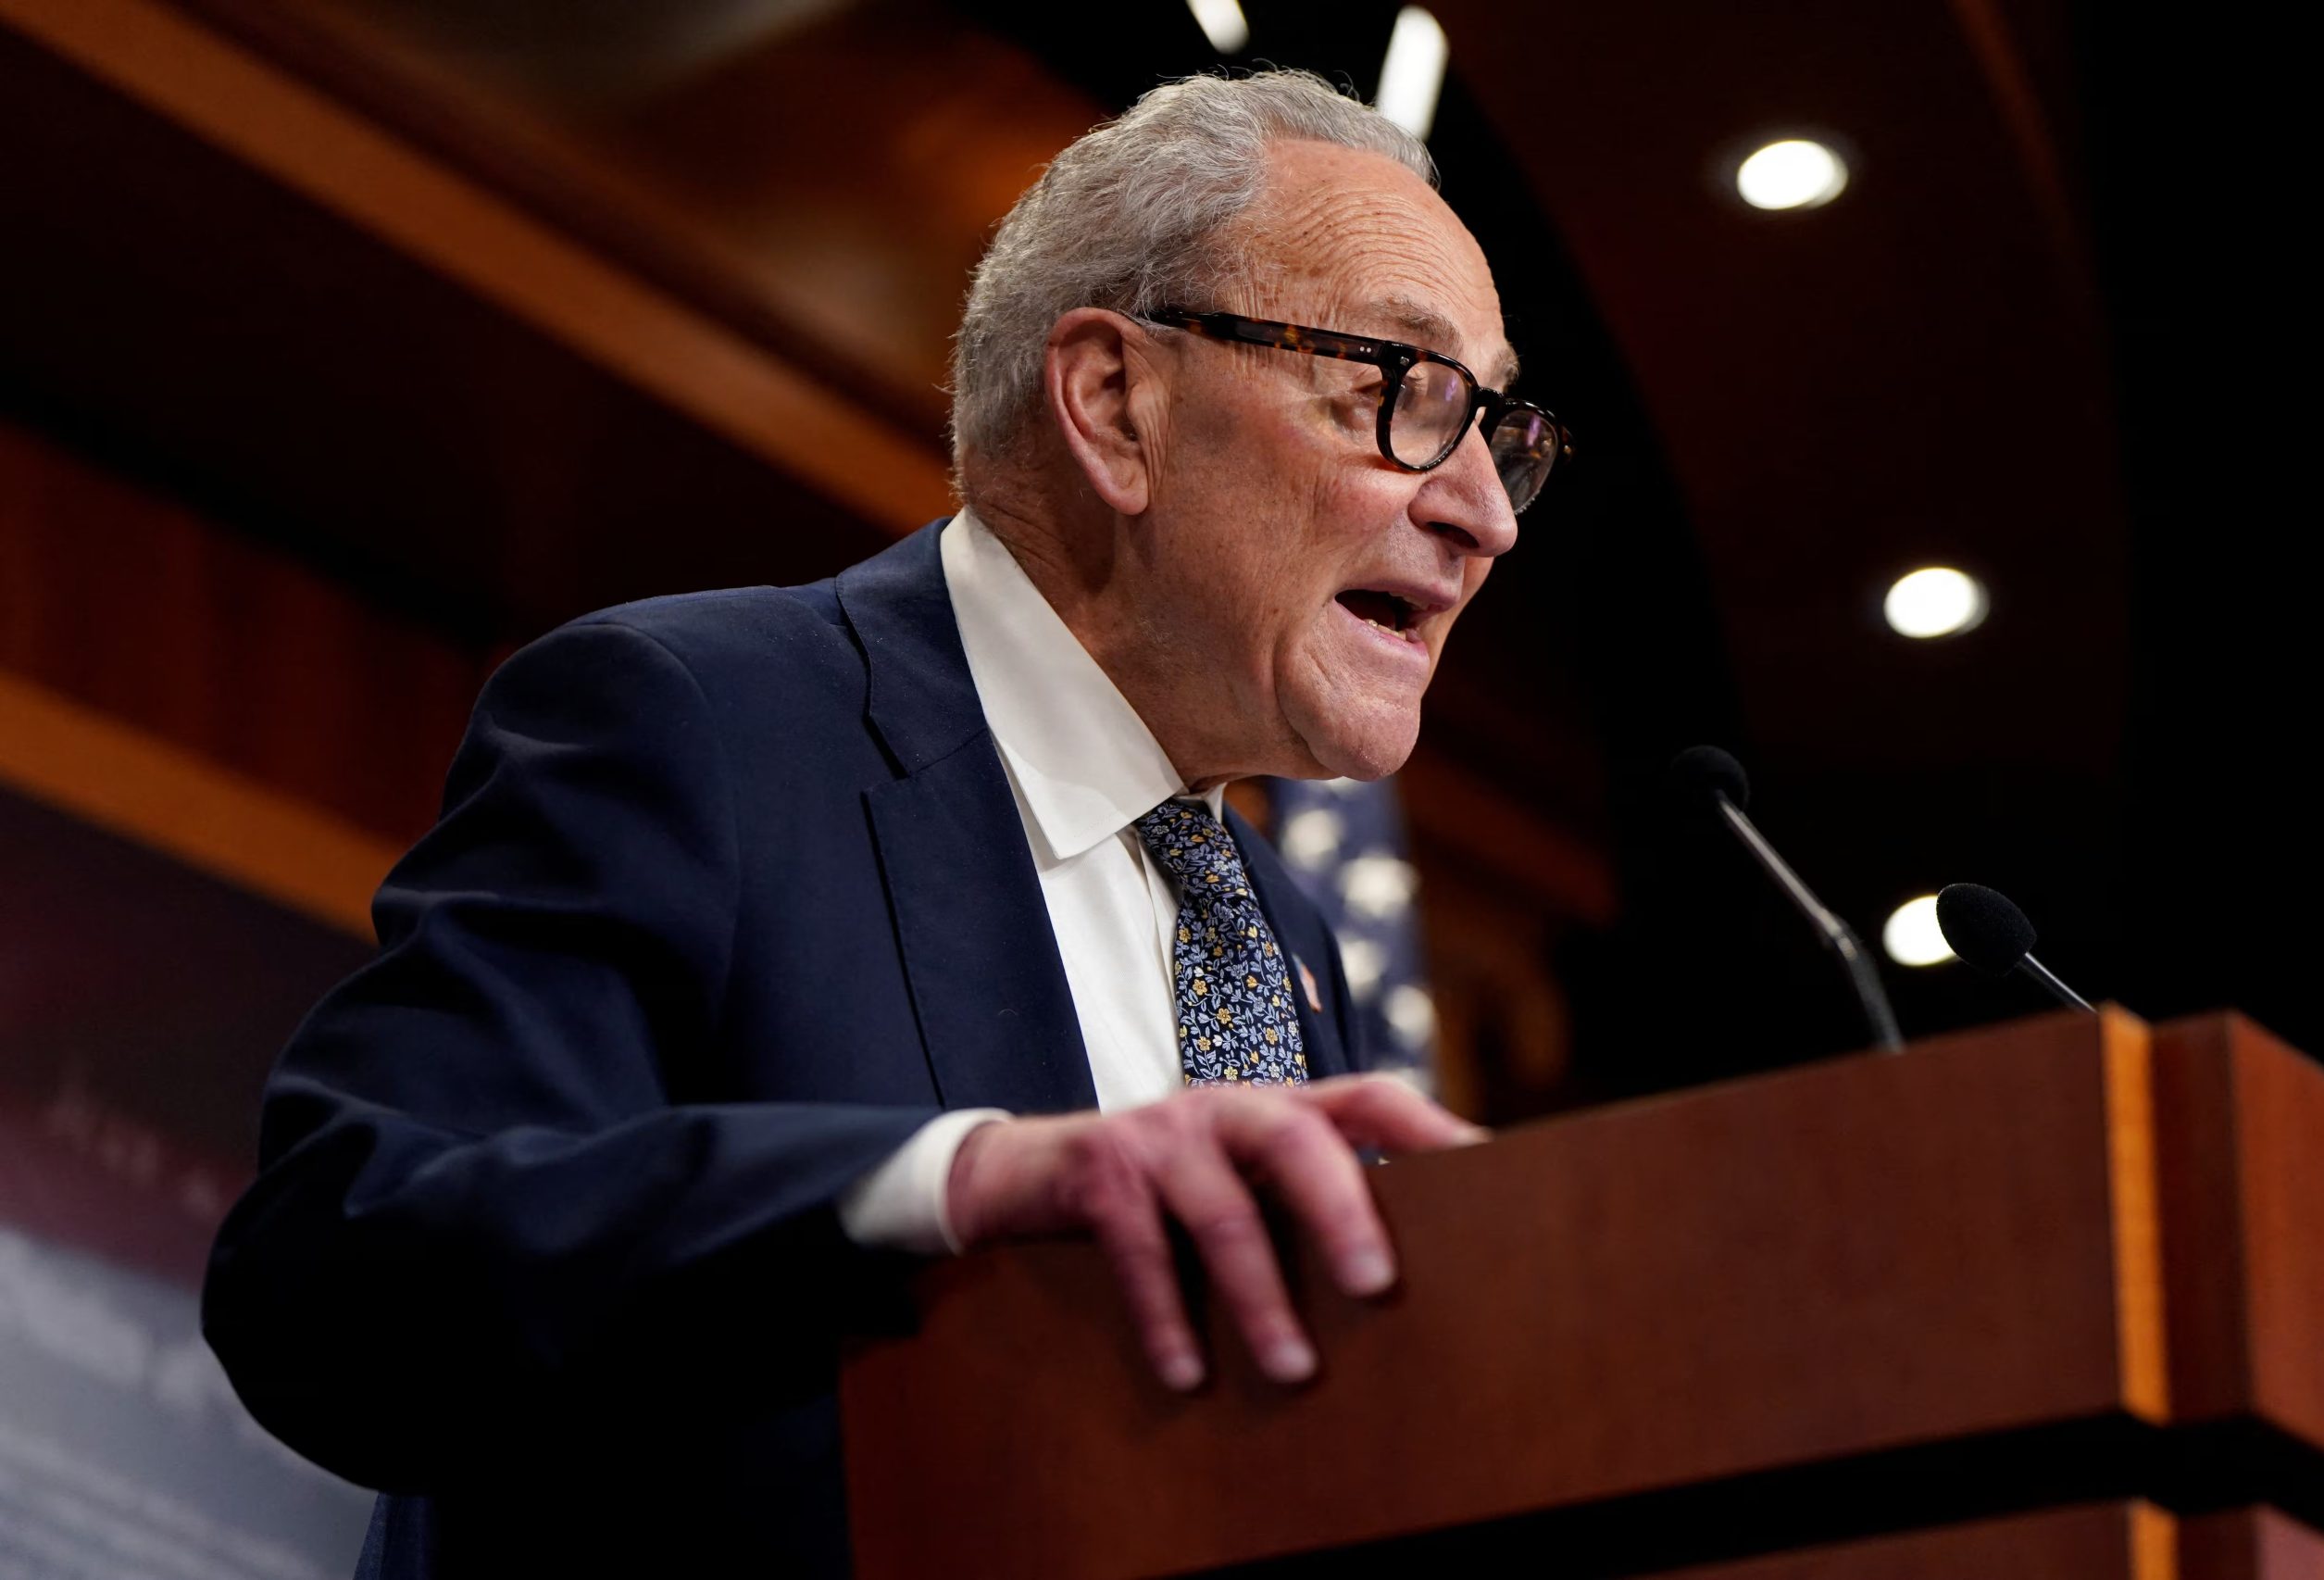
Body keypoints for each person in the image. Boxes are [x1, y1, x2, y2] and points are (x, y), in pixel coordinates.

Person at [202, 68, 1567, 1576]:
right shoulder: (696, 723)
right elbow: (335, 1270)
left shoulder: (1285, 936)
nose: (1486, 516)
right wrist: (948, 1185)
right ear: (1119, 402)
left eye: (1498, 432)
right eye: (1404, 390)